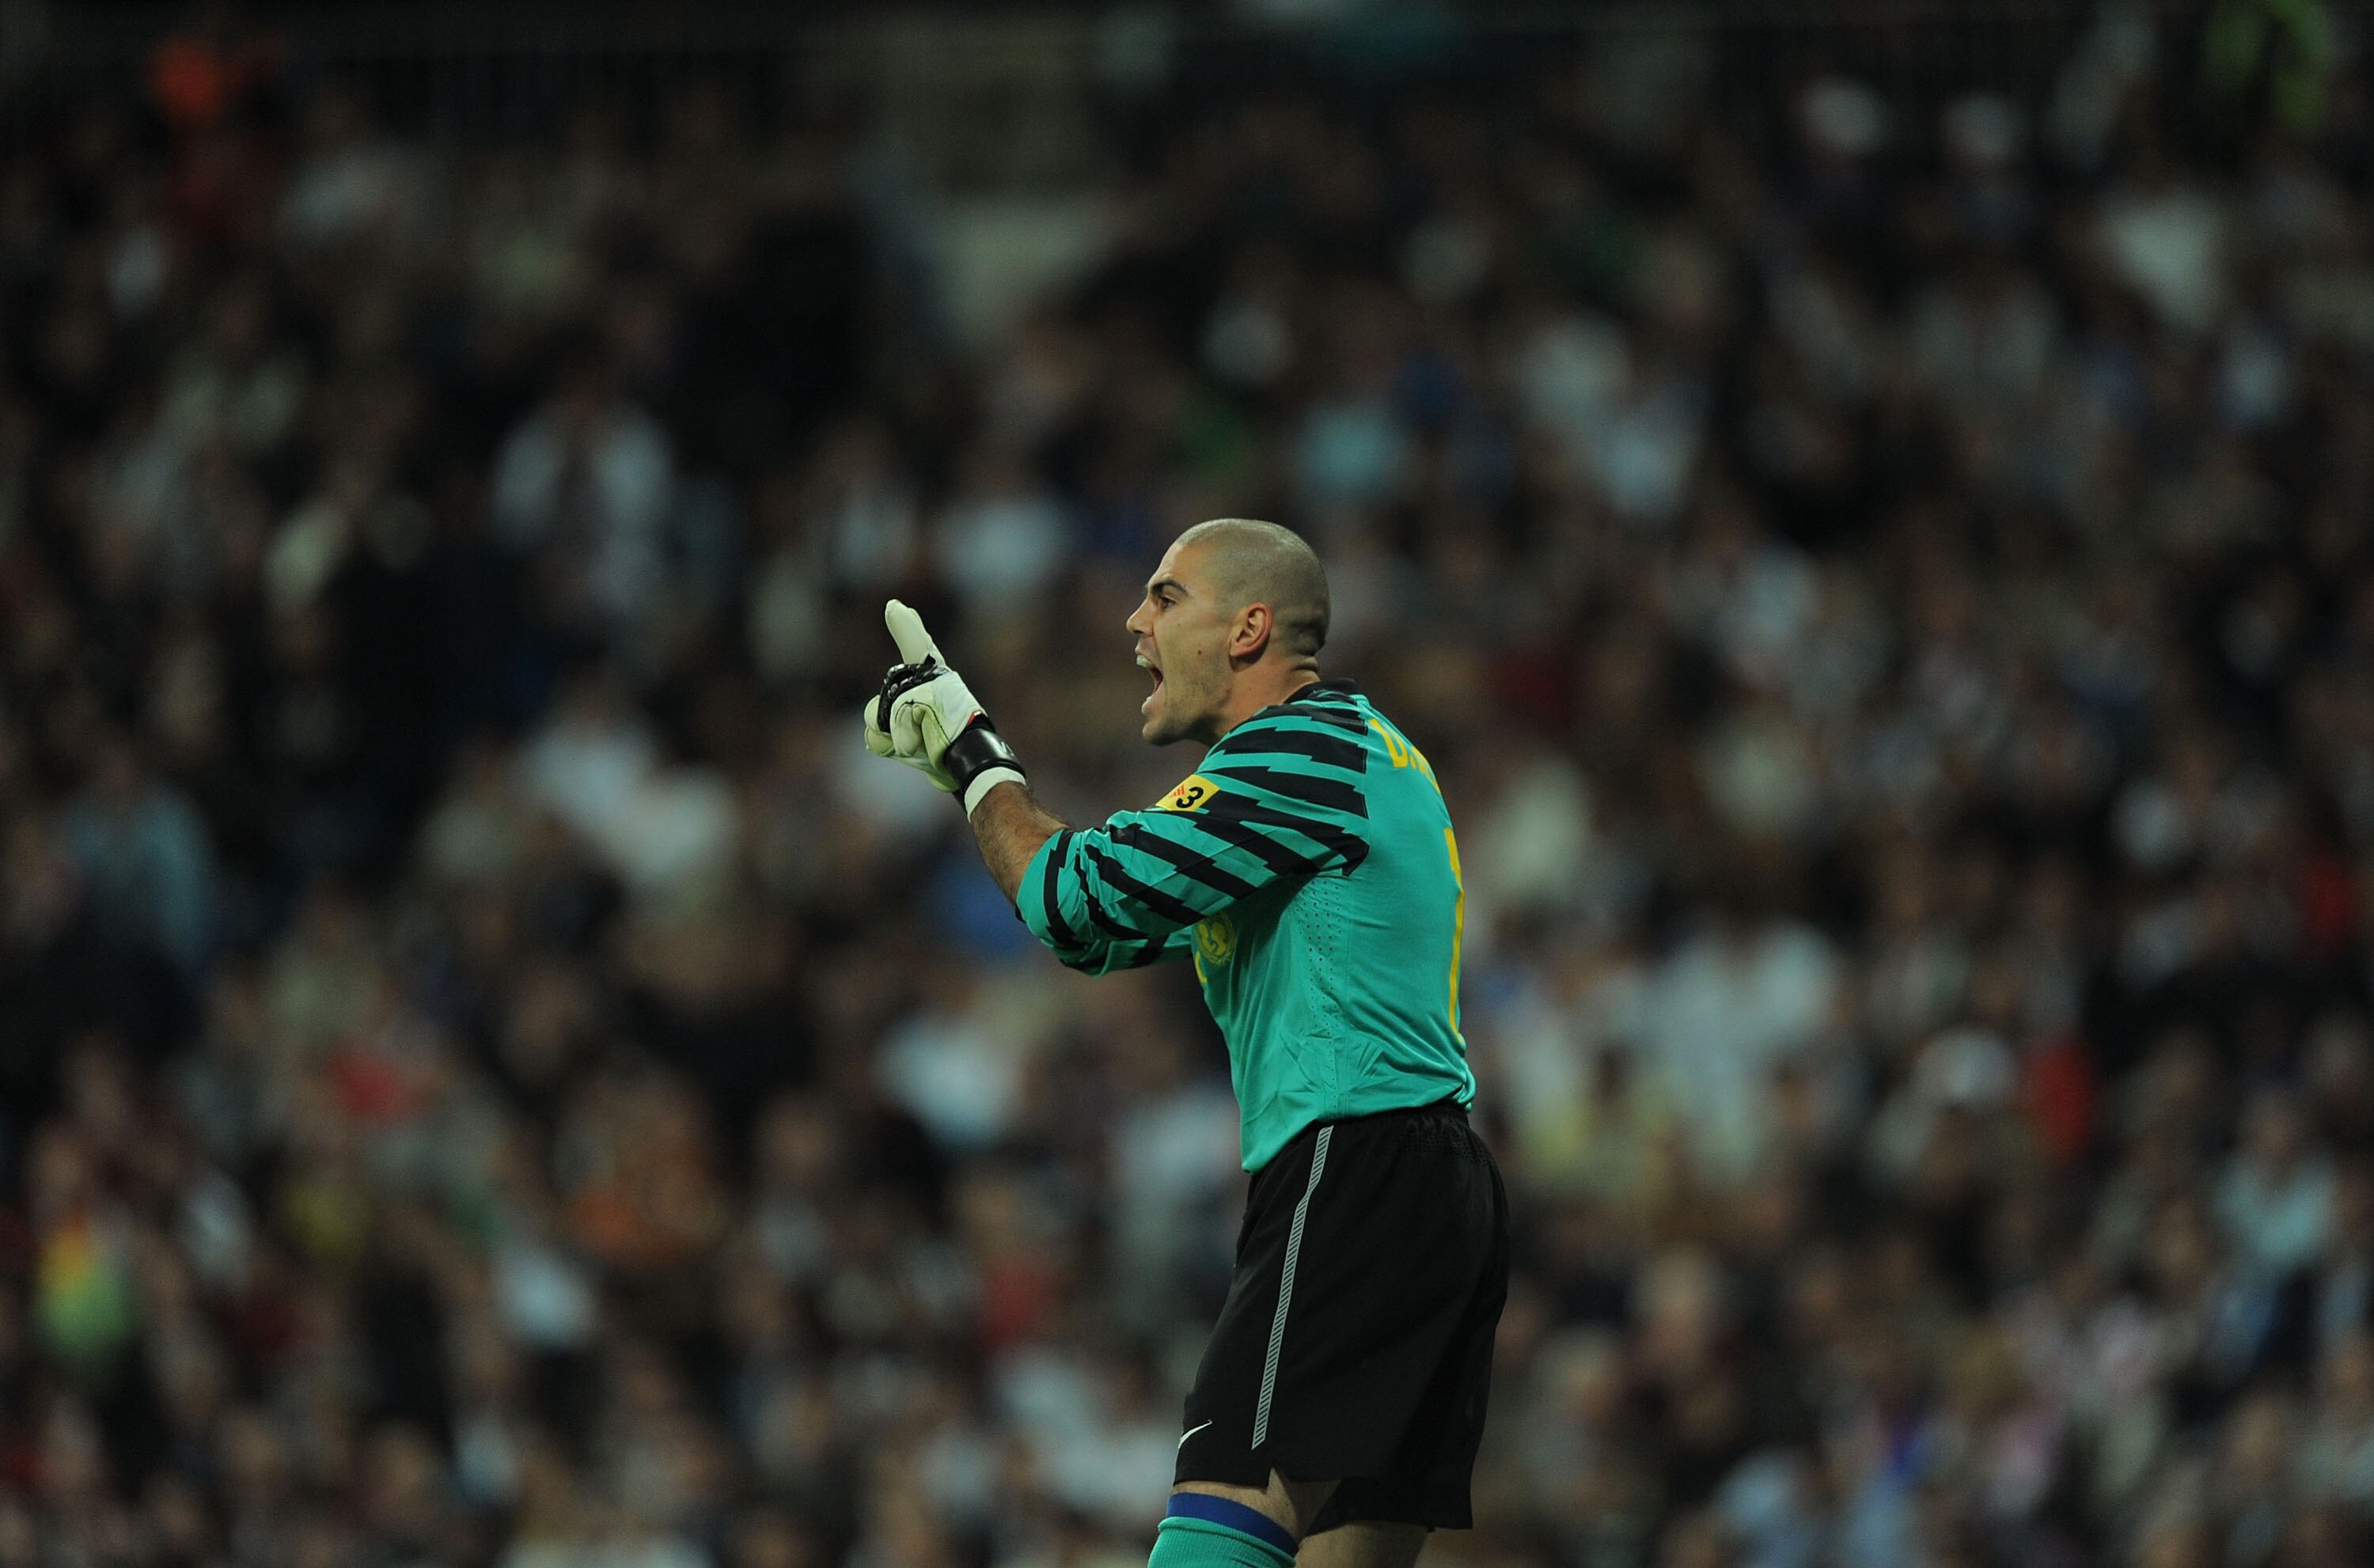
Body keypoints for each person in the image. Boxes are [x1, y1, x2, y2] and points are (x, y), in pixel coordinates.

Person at [863, 518, 1508, 1568]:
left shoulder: (1299, 751)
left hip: (1353, 1170)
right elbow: (1104, 929)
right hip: (1432, 1186)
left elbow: (1073, 898)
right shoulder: (1354, 755)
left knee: (1221, 1524)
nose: (1135, 620)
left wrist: (977, 752)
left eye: (1165, 597)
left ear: (1249, 627)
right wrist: (964, 771)